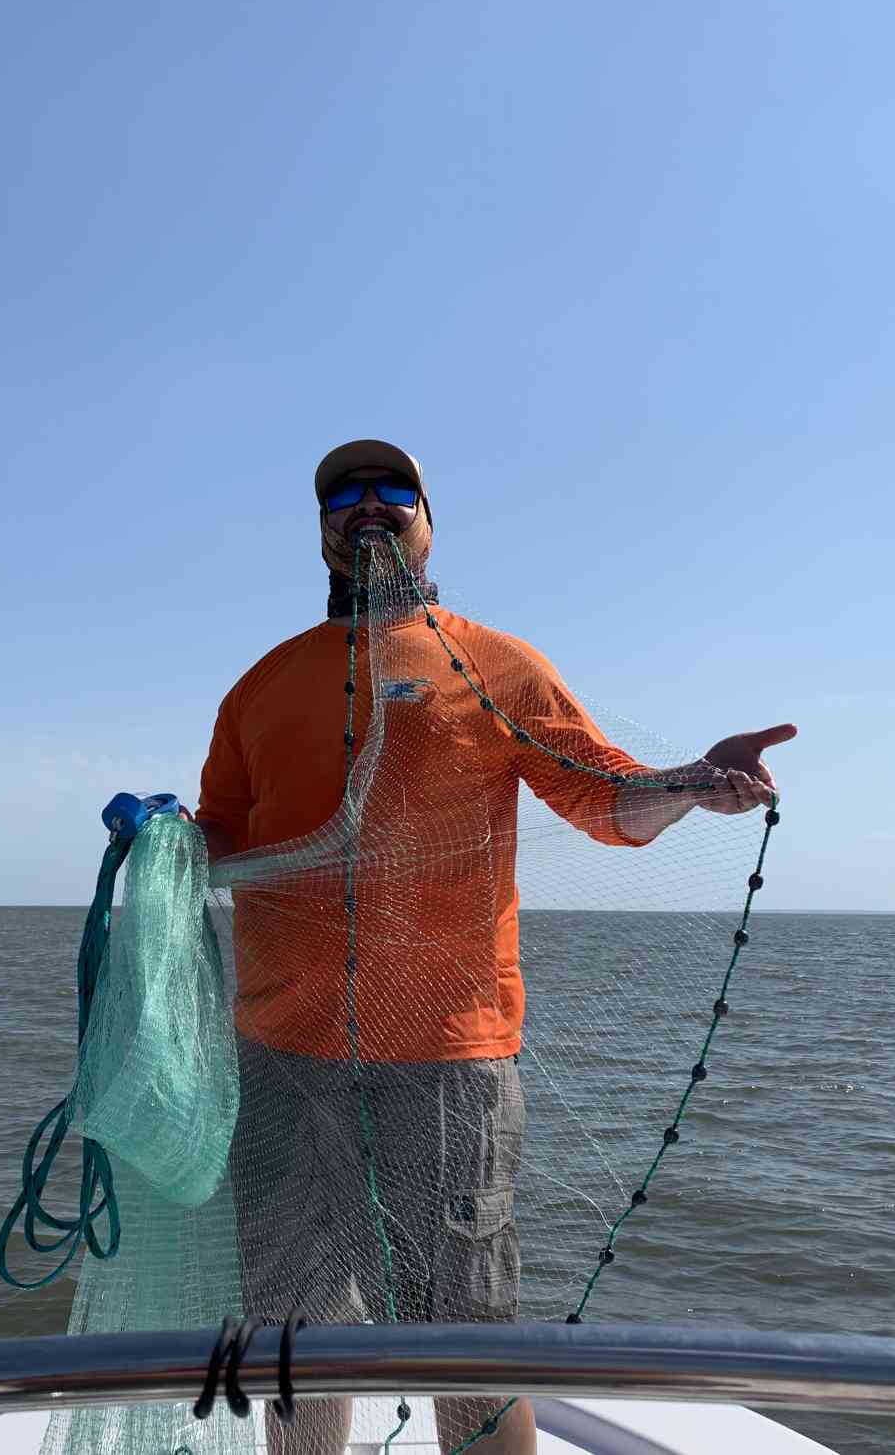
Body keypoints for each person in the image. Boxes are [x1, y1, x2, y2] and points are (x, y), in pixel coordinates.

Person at [191, 440, 795, 1455]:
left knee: (461, 1339)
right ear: (323, 530)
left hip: (443, 1062)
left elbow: (606, 800)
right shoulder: (261, 685)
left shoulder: (497, 665)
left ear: (428, 520)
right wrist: (164, 837)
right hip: (282, 1055)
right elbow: (224, 834)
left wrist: (691, 782)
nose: (368, 506)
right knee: (297, 1328)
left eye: (394, 491)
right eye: (344, 494)